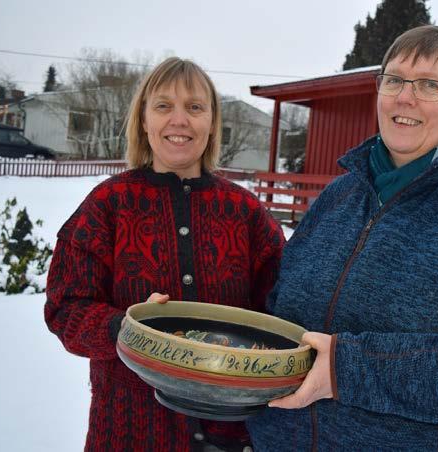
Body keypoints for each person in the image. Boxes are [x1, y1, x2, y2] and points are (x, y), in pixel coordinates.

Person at [246, 25, 438, 451]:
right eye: (393, 79)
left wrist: (350, 370)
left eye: (429, 85)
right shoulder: (337, 198)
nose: (404, 97)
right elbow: (281, 315)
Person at [45, 57, 284, 452]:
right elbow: (64, 307)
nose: (180, 120)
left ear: (212, 121)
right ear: (143, 120)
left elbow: (282, 310)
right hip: (127, 429)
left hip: (226, 433)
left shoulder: (246, 212)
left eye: (194, 107)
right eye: (163, 106)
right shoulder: (109, 204)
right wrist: (128, 328)